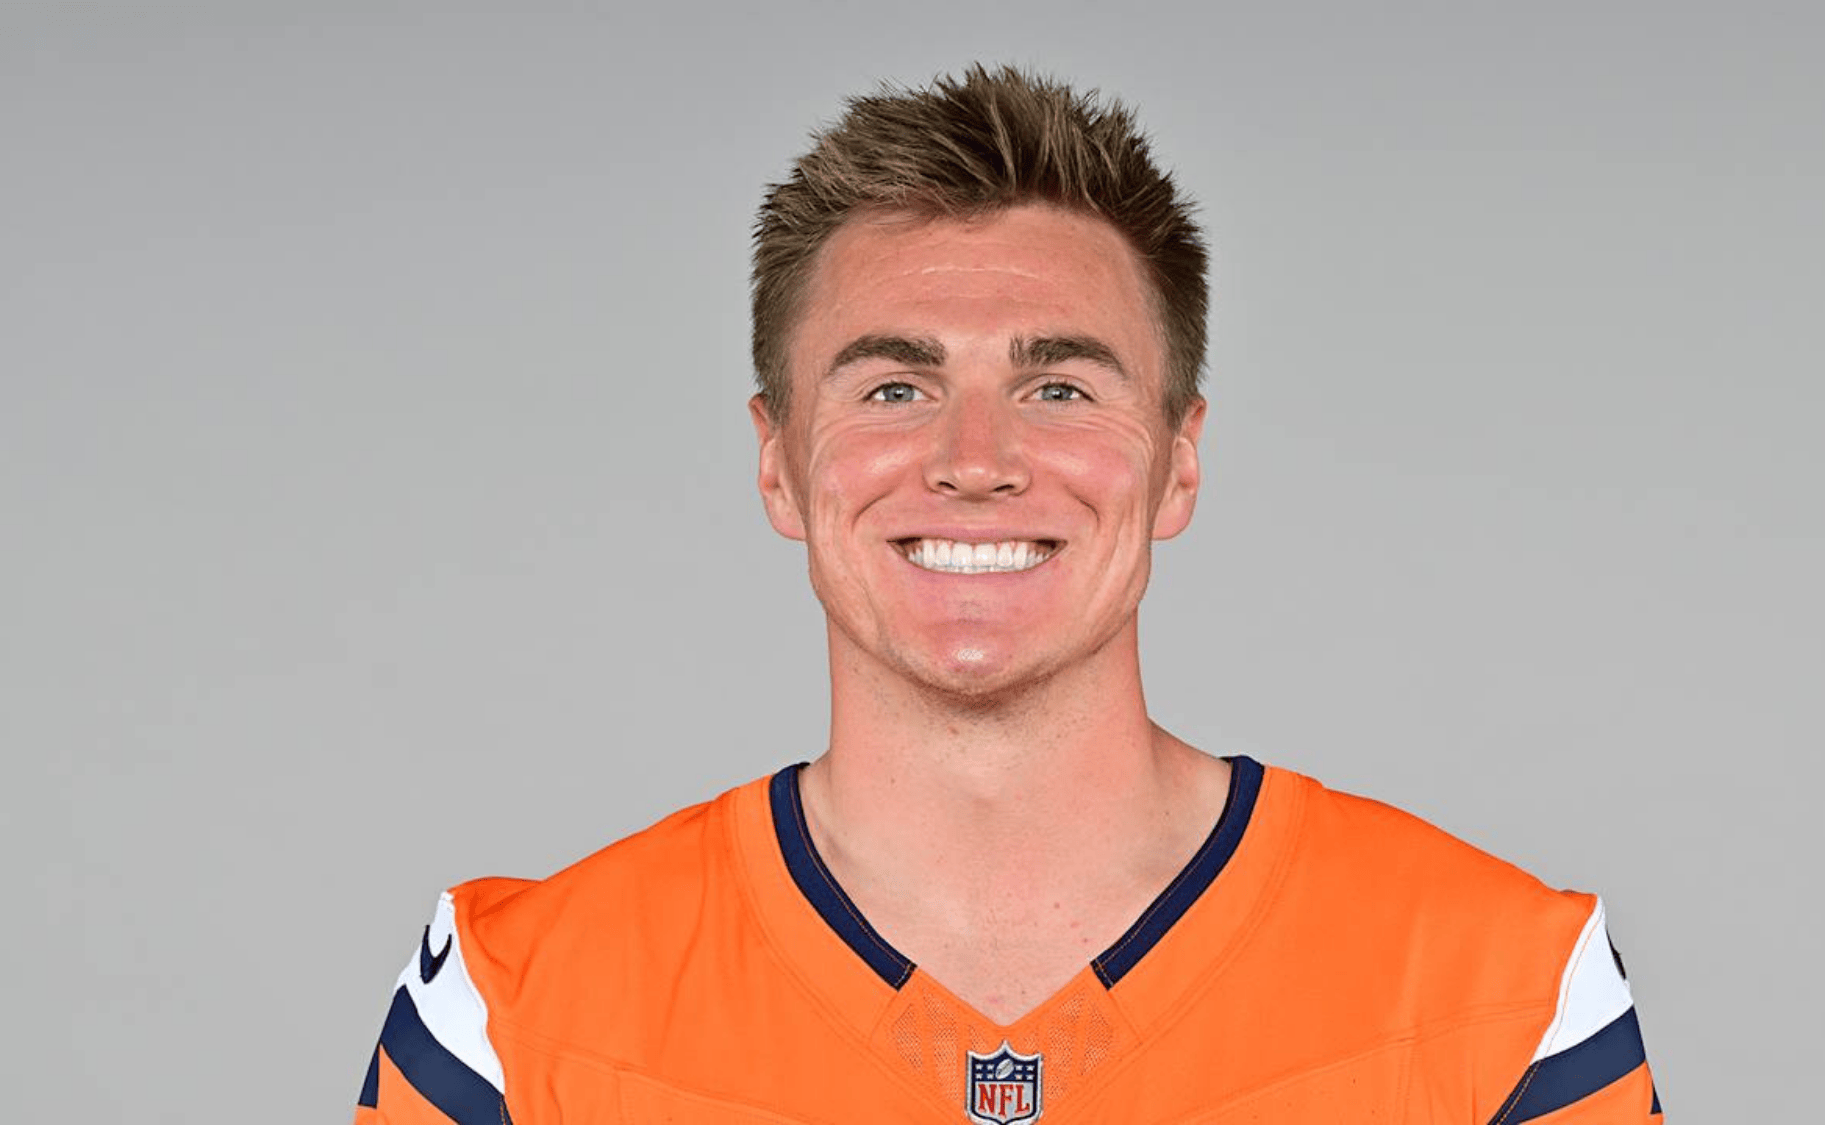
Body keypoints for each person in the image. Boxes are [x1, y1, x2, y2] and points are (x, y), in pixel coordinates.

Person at [354, 65, 1662, 1124]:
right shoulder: (519, 1010)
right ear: (776, 463)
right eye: (893, 387)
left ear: (1178, 463)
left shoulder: (1501, 990)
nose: (975, 461)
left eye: (1059, 388)